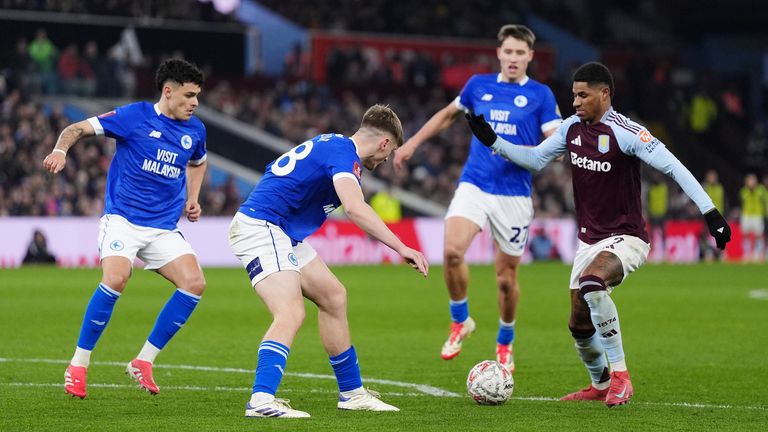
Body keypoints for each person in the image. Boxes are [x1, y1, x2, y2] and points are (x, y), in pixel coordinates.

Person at [465, 62, 731, 407]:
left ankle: (622, 377)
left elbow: (674, 167)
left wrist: (710, 212)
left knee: (593, 284)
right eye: (574, 94)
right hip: (589, 241)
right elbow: (534, 160)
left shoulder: (627, 132)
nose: (575, 102)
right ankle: (600, 383)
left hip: (628, 237)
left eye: (582, 95)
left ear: (604, 94)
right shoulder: (570, 129)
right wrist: (494, 141)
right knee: (578, 323)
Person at [229, 104, 428, 418]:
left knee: (334, 296)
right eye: (389, 154)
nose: (386, 160)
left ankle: (352, 393)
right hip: (263, 226)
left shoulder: (333, 145)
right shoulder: (342, 154)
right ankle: (261, 400)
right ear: (385, 143)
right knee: (290, 312)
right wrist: (401, 246)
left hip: (283, 231)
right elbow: (354, 208)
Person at [393, 24, 561, 372]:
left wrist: (528, 150)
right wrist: (411, 143)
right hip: (475, 184)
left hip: (514, 195)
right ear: (499, 53)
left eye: (520, 53)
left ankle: (505, 341)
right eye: (508, 51)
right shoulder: (478, 86)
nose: (513, 58)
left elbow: (554, 145)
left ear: (530, 56)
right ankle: (460, 320)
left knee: (505, 279)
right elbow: (447, 116)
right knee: (452, 251)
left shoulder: (541, 96)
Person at [43, 58, 208, 399]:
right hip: (123, 220)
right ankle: (78, 364)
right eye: (189, 95)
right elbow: (75, 129)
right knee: (117, 277)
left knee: (194, 284)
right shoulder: (133, 117)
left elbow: (198, 161)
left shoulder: (196, 131)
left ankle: (143, 361)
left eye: (197, 96)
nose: (195, 103)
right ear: (168, 91)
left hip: (162, 227)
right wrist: (60, 151)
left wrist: (194, 197)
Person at [739, 173, 767, 262]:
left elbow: (765, 201)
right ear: (746, 182)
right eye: (749, 181)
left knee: (758, 235)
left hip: (758, 214)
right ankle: (746, 254)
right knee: (745, 235)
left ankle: (757, 254)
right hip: (746, 214)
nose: (751, 182)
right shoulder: (743, 191)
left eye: (752, 180)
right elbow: (742, 201)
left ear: (756, 181)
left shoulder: (761, 190)